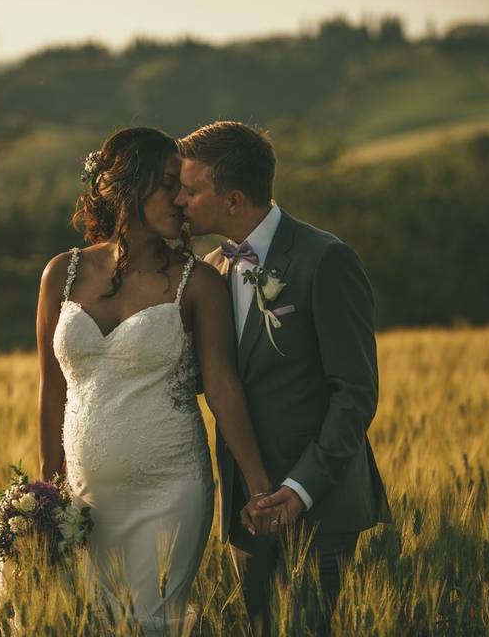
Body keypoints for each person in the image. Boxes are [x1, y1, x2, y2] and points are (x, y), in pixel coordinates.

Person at [35, 127, 274, 633]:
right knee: (95, 624)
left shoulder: (198, 281)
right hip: (85, 496)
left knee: (152, 622)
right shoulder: (61, 273)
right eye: (168, 184)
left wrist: (258, 485)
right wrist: (46, 492)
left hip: (171, 489)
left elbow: (224, 388)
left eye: (185, 187)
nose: (181, 199)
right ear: (128, 186)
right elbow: (52, 389)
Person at [175, 121, 392, 636]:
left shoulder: (326, 259)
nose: (179, 200)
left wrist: (300, 488)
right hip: (246, 512)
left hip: (322, 504)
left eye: (190, 189)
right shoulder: (211, 270)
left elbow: (355, 394)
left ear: (232, 199)